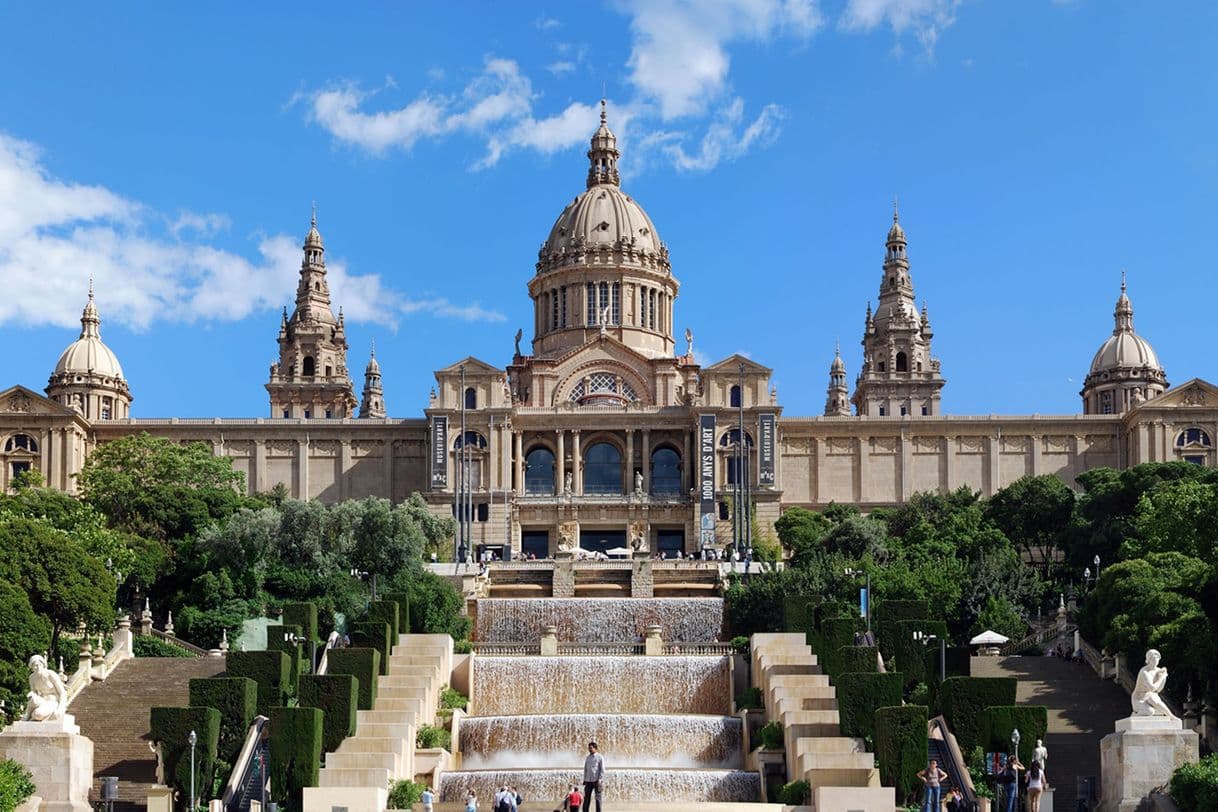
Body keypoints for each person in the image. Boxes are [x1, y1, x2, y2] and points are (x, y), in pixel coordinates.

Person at [582, 741, 604, 812]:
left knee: (598, 799)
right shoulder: (587, 757)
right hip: (588, 781)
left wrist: (600, 780)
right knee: (586, 798)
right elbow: (586, 769)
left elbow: (602, 769)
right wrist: (585, 779)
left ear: (595, 748)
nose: (589, 749)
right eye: (589, 748)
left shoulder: (600, 757)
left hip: (597, 781)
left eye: (591, 748)